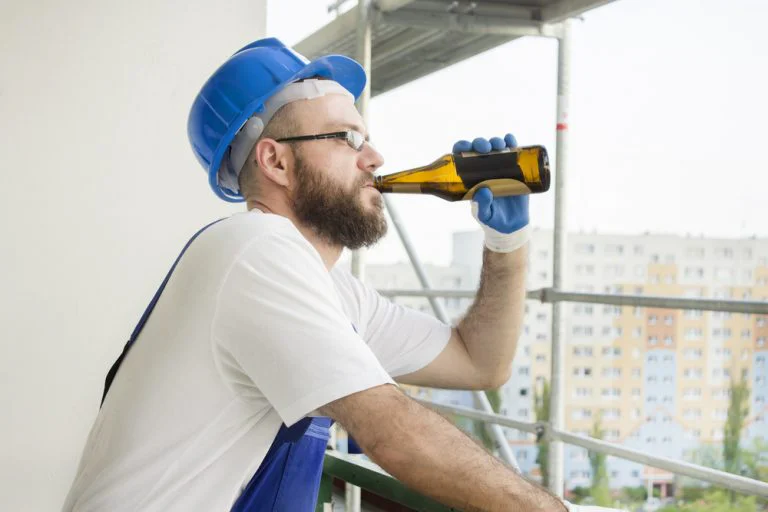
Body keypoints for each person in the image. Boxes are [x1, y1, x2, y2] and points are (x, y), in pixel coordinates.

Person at [62, 38, 625, 512]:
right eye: (346, 137)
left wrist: (506, 243)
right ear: (275, 161)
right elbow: (394, 433)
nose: (374, 157)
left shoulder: (330, 290)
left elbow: (480, 363)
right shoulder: (255, 251)